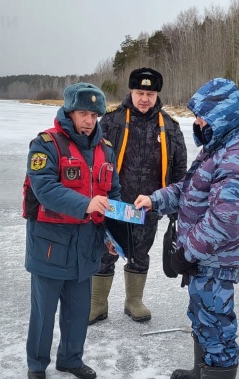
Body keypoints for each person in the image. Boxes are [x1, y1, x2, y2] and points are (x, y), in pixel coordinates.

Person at [134, 78, 239, 379]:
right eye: (197, 116)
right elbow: (192, 190)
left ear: (222, 115)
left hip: (216, 259)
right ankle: (200, 376)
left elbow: (225, 221)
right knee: (200, 316)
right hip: (202, 256)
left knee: (217, 326)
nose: (198, 123)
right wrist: (156, 200)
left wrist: (186, 252)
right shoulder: (218, 145)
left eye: (204, 116)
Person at [22, 82, 121, 379]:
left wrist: (112, 237)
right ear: (69, 110)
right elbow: (46, 190)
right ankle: (37, 363)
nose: (89, 120)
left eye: (94, 114)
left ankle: (71, 359)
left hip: (86, 246)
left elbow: (112, 194)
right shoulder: (46, 144)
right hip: (50, 245)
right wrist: (86, 203)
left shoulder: (105, 150)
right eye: (82, 112)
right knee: (44, 313)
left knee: (78, 312)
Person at [89, 67, 187, 324]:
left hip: (149, 206)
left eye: (150, 93)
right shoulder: (111, 121)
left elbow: (179, 169)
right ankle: (97, 303)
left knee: (140, 252)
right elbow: (94, 159)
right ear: (131, 92)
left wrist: (175, 207)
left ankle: (134, 301)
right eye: (140, 92)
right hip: (114, 204)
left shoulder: (171, 127)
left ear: (157, 95)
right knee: (105, 251)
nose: (144, 98)